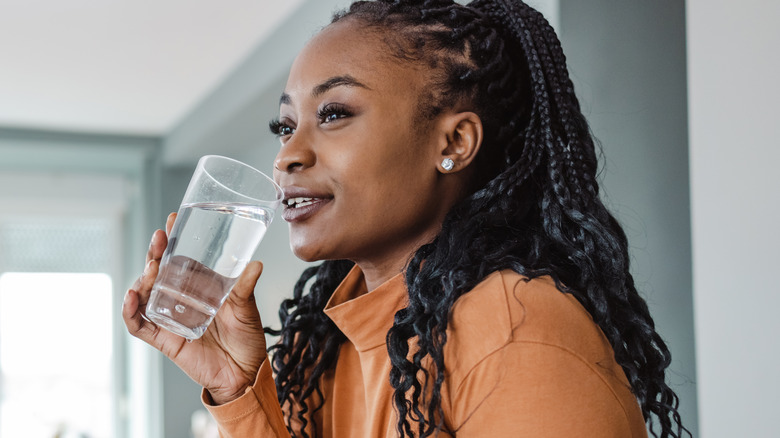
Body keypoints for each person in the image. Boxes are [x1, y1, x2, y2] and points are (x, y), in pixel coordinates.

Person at [123, 0, 689, 437]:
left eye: (334, 113)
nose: (287, 155)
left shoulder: (515, 331)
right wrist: (236, 388)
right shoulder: (325, 349)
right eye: (286, 126)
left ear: (455, 142)